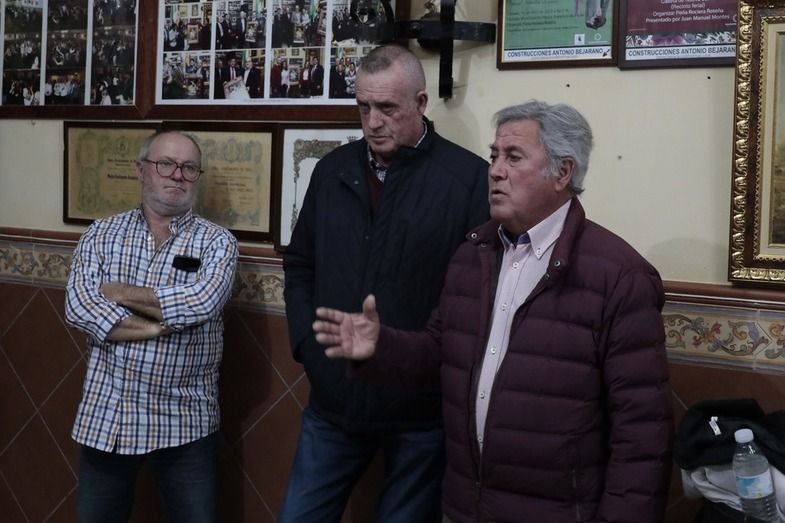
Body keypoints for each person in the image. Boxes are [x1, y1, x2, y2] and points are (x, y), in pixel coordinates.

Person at [312, 100, 674, 522]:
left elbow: (642, 434)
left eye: (513, 157)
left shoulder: (619, 276)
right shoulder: (472, 256)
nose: (496, 171)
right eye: (494, 155)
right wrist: (381, 348)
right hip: (466, 508)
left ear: (562, 172)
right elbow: (439, 356)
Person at [278, 44, 490, 523]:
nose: (373, 122)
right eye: (363, 107)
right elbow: (300, 265)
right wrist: (309, 347)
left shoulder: (467, 180)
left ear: (420, 103)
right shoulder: (332, 171)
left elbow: (474, 297)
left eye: (388, 108)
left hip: (419, 411)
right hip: (334, 399)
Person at [65, 131, 238, 523]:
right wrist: (159, 326)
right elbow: (79, 308)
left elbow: (202, 302)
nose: (177, 175)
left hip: (185, 420)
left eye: (189, 168)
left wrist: (118, 292)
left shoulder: (217, 243)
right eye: (165, 164)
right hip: (108, 414)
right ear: (141, 170)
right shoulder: (100, 234)